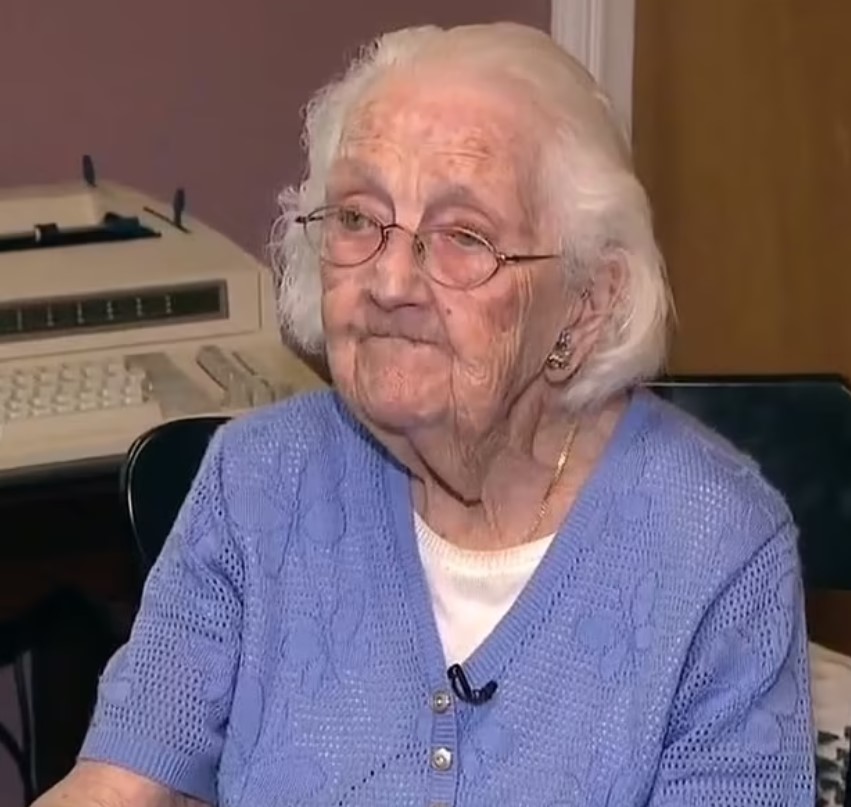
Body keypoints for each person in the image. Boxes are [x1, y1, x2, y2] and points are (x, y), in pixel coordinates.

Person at [35, 20, 814, 807]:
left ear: (587, 300)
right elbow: (116, 784)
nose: (390, 280)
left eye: (463, 236)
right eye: (358, 220)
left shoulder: (715, 547)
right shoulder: (255, 481)